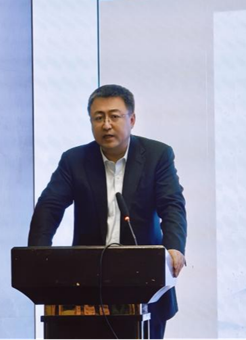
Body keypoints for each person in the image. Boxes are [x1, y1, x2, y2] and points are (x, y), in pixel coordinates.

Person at [28, 84, 187, 340]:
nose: (106, 125)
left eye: (114, 116)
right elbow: (50, 206)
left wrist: (174, 248)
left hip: (146, 281)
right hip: (88, 283)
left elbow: (172, 205)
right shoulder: (74, 160)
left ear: (131, 120)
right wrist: (37, 254)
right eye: (98, 117)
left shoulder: (157, 155)